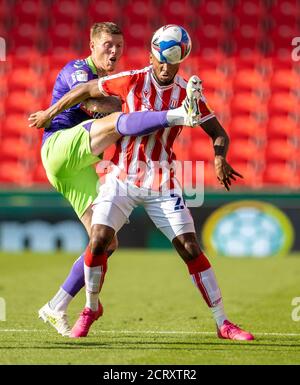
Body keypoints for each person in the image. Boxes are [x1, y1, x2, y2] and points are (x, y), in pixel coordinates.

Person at [30, 25, 254, 341]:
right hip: (120, 176)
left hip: (162, 181)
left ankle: (223, 323)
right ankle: (89, 308)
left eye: (171, 63)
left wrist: (220, 158)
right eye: (160, 60)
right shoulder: (131, 80)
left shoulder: (188, 94)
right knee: (98, 239)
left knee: (189, 248)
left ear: (181, 61)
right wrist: (49, 113)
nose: (164, 67)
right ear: (151, 56)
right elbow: (85, 91)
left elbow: (219, 132)